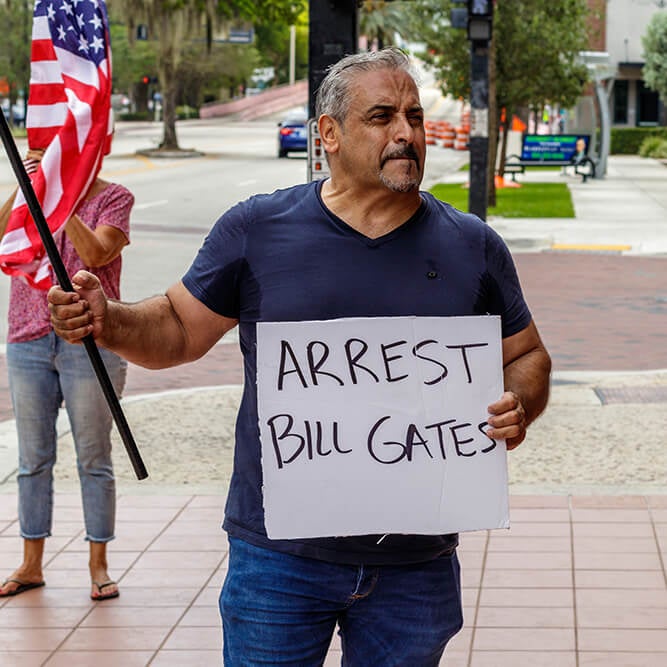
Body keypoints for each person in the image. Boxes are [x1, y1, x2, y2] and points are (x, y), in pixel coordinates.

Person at [48, 48, 551, 665]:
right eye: (383, 116)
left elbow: (526, 354)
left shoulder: (472, 245)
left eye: (415, 117)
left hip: (414, 565)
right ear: (329, 134)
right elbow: (179, 329)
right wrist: (110, 320)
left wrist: (519, 403)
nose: (407, 133)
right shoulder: (258, 229)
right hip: (280, 559)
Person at [0, 147, 133, 602]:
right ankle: (31, 563)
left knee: (92, 458)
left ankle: (99, 565)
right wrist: (26, 187)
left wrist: (63, 199)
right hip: (27, 338)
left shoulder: (115, 197)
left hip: (89, 342)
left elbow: (97, 252)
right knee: (32, 460)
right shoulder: (31, 194)